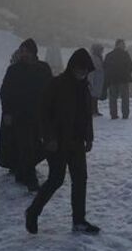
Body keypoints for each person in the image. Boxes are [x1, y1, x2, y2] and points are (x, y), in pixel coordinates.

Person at [25, 49, 100, 235]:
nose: (82, 74)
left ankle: (79, 221)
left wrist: (89, 137)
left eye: (85, 71)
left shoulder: (84, 88)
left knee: (80, 179)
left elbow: (86, 116)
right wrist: (49, 138)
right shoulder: (57, 84)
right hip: (57, 142)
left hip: (77, 142)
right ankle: (33, 212)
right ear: (72, 67)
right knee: (56, 179)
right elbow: (43, 113)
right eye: (80, 70)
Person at [0, 38, 52, 191]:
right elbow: (5, 92)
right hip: (20, 115)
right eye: (21, 52)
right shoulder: (14, 70)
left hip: (39, 115)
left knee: (41, 146)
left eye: (26, 51)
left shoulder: (43, 68)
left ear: (33, 52)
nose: (23, 54)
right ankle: (30, 180)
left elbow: (51, 89)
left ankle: (23, 169)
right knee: (25, 146)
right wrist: (7, 112)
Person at [103, 39, 132, 120]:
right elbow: (131, 66)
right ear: (119, 44)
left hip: (112, 79)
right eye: (123, 44)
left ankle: (113, 114)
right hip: (123, 79)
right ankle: (125, 114)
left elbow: (105, 67)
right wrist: (127, 73)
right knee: (125, 98)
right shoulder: (125, 54)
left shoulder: (109, 55)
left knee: (112, 98)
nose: (124, 46)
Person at [88, 44, 105, 117]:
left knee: (95, 96)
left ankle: (95, 110)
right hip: (94, 78)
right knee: (93, 96)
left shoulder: (99, 57)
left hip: (98, 78)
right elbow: (91, 71)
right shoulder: (93, 58)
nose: (102, 52)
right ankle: (93, 111)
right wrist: (90, 81)